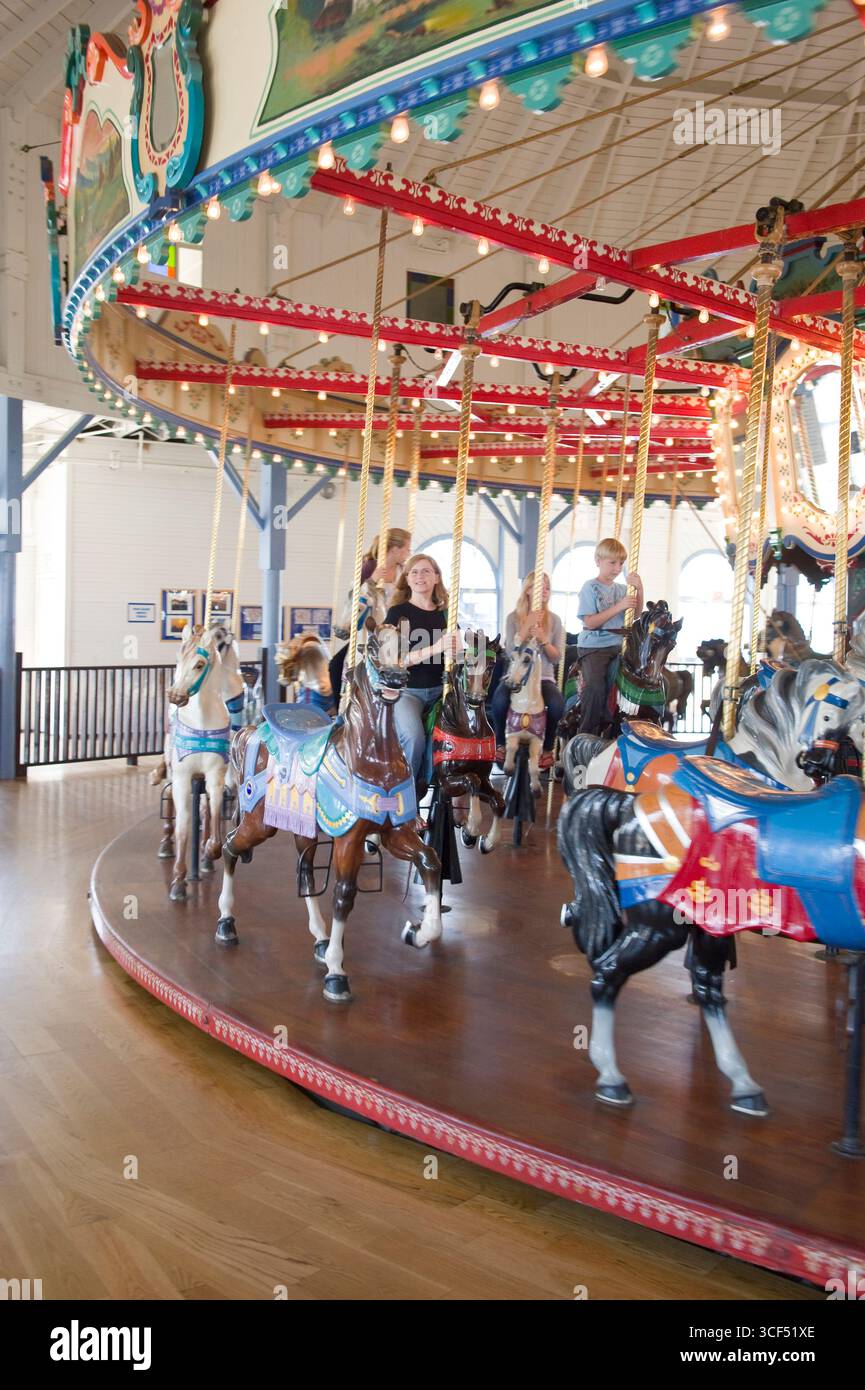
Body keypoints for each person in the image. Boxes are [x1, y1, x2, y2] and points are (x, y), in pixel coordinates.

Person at [384, 553, 460, 786]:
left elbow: (455, 657)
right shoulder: (397, 614)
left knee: (455, 736)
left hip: (441, 691)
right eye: (414, 572)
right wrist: (435, 648)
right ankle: (405, 793)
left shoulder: (447, 614)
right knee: (414, 737)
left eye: (426, 571)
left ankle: (440, 790)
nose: (420, 576)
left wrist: (456, 650)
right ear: (407, 579)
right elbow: (393, 661)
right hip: (408, 691)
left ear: (436, 578)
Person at [491, 571, 565, 769]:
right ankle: (500, 743)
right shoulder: (512, 618)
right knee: (498, 700)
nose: (546, 591)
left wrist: (543, 638)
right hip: (516, 673)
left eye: (548, 587)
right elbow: (509, 651)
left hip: (544, 677)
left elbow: (557, 656)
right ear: (529, 590)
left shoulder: (555, 621)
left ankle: (548, 747)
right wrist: (527, 625)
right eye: (541, 586)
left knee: (557, 705)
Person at [329, 528, 412, 699]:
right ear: (395, 549)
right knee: (336, 665)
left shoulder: (403, 572)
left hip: (395, 629)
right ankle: (340, 708)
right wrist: (371, 580)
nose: (409, 553)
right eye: (407, 549)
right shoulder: (369, 567)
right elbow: (352, 598)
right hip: (370, 629)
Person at [576, 537, 644, 735]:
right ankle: (586, 732)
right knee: (596, 686)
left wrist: (639, 588)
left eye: (621, 563)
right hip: (595, 646)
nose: (617, 568)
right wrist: (619, 606)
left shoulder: (623, 589)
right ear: (598, 561)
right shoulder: (590, 587)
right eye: (612, 562)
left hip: (619, 646)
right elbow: (589, 622)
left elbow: (636, 614)